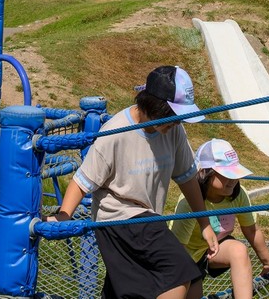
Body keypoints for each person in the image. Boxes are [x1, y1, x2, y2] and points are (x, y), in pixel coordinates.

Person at [51, 65, 219, 299]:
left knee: (159, 289)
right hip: (118, 218)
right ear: (155, 106)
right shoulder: (116, 132)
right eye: (174, 116)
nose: (178, 123)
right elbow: (82, 182)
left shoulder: (173, 131)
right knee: (181, 276)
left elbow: (187, 178)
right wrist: (64, 215)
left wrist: (205, 224)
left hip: (148, 220)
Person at [171, 139, 269, 299]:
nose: (233, 180)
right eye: (227, 174)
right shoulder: (189, 202)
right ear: (206, 173)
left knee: (239, 250)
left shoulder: (238, 195)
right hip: (185, 258)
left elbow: (251, 229)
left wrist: (267, 262)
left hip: (212, 251)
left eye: (235, 174)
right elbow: (178, 249)